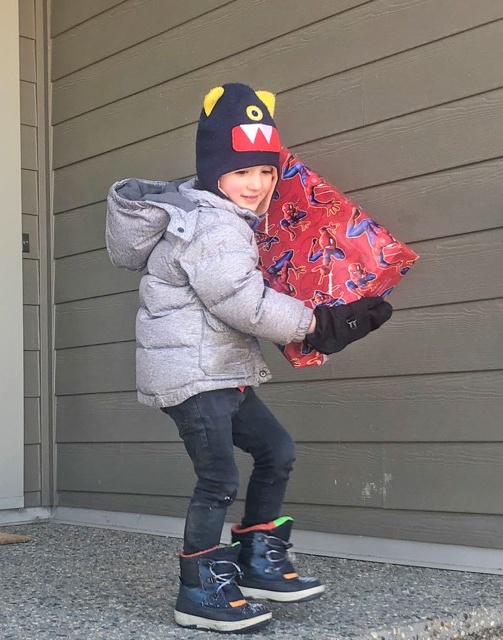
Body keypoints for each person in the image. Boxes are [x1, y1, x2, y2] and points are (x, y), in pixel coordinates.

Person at [105, 83, 392, 633]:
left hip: (221, 369)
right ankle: (199, 591)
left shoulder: (228, 219)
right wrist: (317, 324)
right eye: (242, 172)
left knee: (276, 449)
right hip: (193, 374)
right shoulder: (213, 226)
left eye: (265, 171)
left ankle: (257, 561)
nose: (256, 184)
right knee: (217, 479)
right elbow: (241, 301)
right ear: (215, 172)